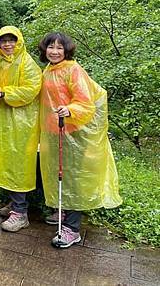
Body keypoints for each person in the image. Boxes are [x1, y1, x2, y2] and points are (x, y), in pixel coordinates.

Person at [38, 32, 121, 248]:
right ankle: (62, 211)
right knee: (58, 172)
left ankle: (72, 229)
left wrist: (70, 109)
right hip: (54, 132)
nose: (54, 51)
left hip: (73, 131)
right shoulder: (48, 70)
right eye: (50, 47)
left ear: (66, 51)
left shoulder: (73, 69)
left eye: (59, 48)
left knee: (73, 178)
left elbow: (85, 102)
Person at [0, 26, 42, 232]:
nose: (8, 44)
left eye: (11, 40)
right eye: (3, 41)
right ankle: (14, 203)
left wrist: (4, 92)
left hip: (23, 122)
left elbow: (31, 90)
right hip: (1, 120)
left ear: (19, 41)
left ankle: (21, 212)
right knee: (4, 160)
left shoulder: (27, 63)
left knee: (18, 165)